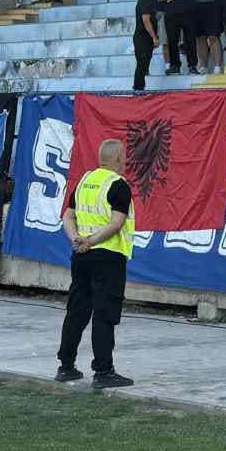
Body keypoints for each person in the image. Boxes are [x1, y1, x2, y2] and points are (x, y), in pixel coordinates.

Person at [56, 139, 135, 388]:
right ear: (119, 158)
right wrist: (90, 241)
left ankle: (66, 366)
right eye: (124, 157)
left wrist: (77, 240)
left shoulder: (84, 181)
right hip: (108, 257)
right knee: (104, 314)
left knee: (77, 311)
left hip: (81, 256)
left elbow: (68, 217)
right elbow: (116, 224)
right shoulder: (118, 185)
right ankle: (103, 371)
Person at [131, 0, 165, 91]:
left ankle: (140, 87)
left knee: (144, 65)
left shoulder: (149, 1)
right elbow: (146, 21)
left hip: (145, 39)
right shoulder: (144, 1)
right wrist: (154, 37)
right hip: (142, 38)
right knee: (142, 65)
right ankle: (138, 89)